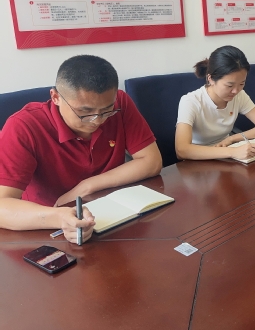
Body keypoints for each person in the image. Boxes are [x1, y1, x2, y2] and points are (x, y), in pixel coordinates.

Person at [0, 55, 162, 244]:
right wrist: (60, 217)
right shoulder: (24, 126)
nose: (98, 120)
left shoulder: (120, 103)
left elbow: (152, 161)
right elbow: (3, 206)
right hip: (46, 226)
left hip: (111, 212)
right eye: (85, 112)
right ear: (56, 97)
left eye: (107, 110)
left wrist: (86, 186)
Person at [175, 46, 255, 161]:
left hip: (226, 154)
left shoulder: (239, 96)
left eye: (241, 84)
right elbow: (182, 150)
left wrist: (232, 139)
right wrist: (232, 152)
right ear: (211, 79)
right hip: (199, 159)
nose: (236, 91)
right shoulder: (191, 101)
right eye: (229, 85)